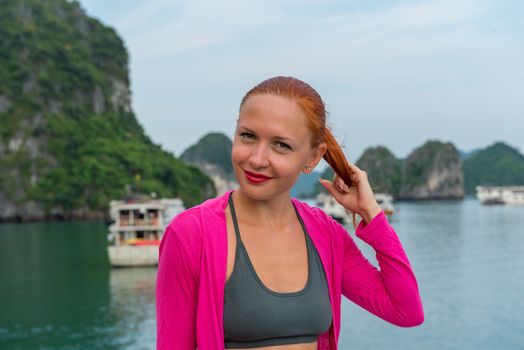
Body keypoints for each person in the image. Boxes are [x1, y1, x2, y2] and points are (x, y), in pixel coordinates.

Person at [156, 76, 424, 350]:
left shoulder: (326, 233)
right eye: (248, 136)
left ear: (312, 157)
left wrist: (372, 214)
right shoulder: (190, 234)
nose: (257, 159)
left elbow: (405, 311)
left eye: (281, 145)